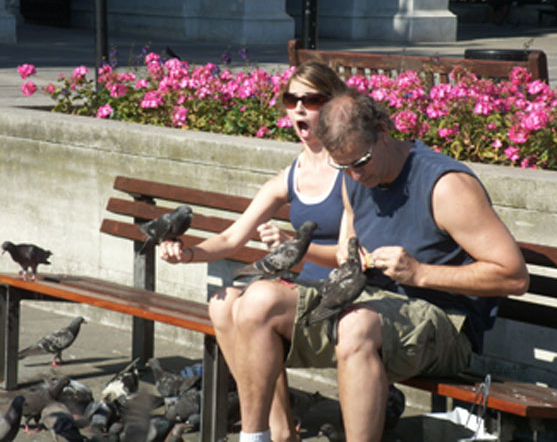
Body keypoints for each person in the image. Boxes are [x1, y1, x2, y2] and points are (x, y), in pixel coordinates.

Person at [228, 87, 530, 441]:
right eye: (343, 166)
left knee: (356, 326)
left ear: (384, 130)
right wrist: (348, 255)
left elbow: (514, 276)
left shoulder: (445, 186)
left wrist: (420, 272)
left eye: (361, 161)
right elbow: (350, 240)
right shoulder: (351, 177)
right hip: (368, 306)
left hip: (443, 322)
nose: (355, 175)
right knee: (255, 301)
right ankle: (257, 438)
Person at [159, 61, 347, 441]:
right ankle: (277, 429)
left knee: (258, 302)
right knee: (222, 301)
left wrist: (299, 249)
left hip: (341, 294)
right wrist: (188, 252)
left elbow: (348, 255)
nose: (298, 107)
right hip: (302, 291)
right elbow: (231, 239)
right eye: (291, 98)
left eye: (311, 99)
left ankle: (256, 433)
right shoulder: (292, 174)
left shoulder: (350, 167)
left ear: (333, 105)